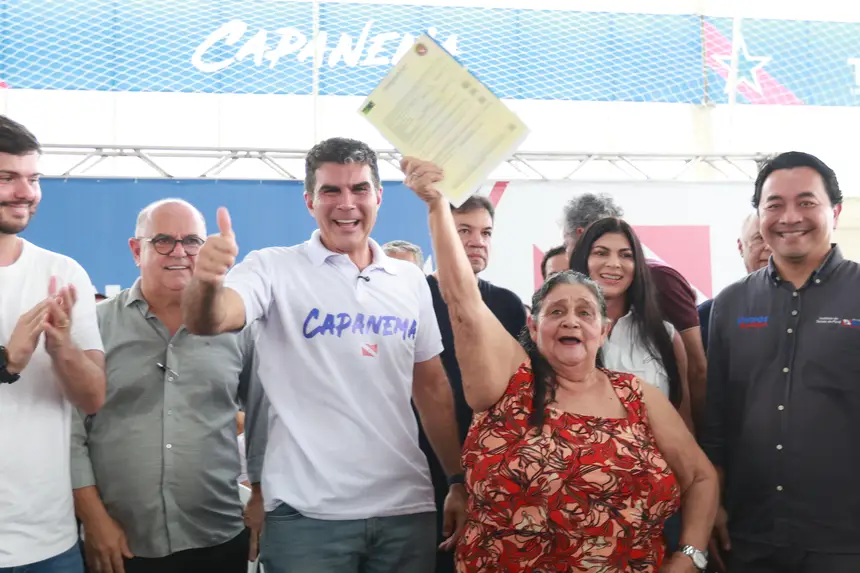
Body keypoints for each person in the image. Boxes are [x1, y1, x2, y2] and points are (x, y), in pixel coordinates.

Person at [403, 157, 718, 573]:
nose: (571, 321)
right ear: (533, 327)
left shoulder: (636, 394)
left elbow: (701, 477)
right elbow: (462, 299)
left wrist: (690, 556)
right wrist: (436, 207)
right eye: (557, 311)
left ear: (603, 330)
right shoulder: (509, 382)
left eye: (585, 312)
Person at [181, 137, 467, 573]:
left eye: (359, 189)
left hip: (405, 511)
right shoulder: (272, 268)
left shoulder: (408, 280)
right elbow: (211, 319)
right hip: (306, 517)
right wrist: (205, 283)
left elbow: (431, 388)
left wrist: (457, 479)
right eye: (331, 190)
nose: (346, 203)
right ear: (309, 202)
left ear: (378, 196)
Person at [70, 199, 264, 573]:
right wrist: (93, 520)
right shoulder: (94, 327)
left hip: (218, 535)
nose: (179, 252)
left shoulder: (238, 329)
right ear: (135, 250)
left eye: (191, 241)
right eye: (163, 240)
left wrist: (259, 495)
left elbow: (261, 418)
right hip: (121, 543)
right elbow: (72, 432)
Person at [703, 151, 860, 573]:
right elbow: (717, 420)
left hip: (845, 539)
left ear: (835, 211)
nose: (790, 217)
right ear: (759, 215)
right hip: (750, 534)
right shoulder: (732, 303)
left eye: (806, 202)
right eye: (774, 205)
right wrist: (713, 506)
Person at [0, 115, 106, 572]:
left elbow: (93, 398)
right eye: (6, 177)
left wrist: (62, 348)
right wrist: (7, 361)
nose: (25, 192)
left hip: (47, 541)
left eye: (33, 178)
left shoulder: (62, 273)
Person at [420, 194, 526, 573]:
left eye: (486, 232)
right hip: (420, 468)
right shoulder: (413, 296)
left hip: (491, 470)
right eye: (463, 230)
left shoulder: (509, 305)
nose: (477, 241)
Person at [563, 193, 709, 427]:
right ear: (583, 259)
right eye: (601, 253)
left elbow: (683, 421)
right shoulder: (560, 332)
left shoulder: (665, 335)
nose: (614, 264)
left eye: (626, 255)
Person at [697, 213, 771, 351]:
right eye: (759, 238)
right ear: (741, 247)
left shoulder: (810, 307)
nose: (769, 246)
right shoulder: (709, 314)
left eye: (777, 238)